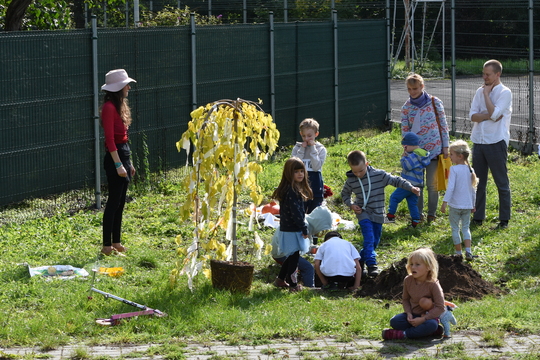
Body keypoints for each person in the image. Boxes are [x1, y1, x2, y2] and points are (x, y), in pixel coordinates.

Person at [341, 150, 420, 277]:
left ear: (367, 164)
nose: (358, 174)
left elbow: (396, 180)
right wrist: (351, 205)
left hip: (378, 213)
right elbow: (345, 194)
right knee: (368, 238)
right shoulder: (351, 180)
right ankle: (372, 265)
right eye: (354, 171)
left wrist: (411, 188)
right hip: (363, 213)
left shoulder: (379, 175)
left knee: (374, 242)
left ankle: (359, 262)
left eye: (361, 170)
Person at [469, 59, 512, 229]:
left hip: (496, 142)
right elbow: (473, 116)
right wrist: (488, 114)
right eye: (483, 73)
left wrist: (487, 96)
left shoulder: (505, 92)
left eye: (487, 74)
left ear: (497, 74)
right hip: (479, 141)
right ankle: (478, 216)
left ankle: (504, 219)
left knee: (501, 181)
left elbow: (495, 115)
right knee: (478, 182)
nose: (484, 77)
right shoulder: (479, 91)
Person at [401, 73, 450, 224]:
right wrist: (406, 148)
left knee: (432, 184)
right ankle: (418, 214)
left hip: (434, 150)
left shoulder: (435, 102)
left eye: (415, 88)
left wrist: (446, 147)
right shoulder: (406, 107)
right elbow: (405, 130)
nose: (412, 92)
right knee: (417, 184)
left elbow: (443, 125)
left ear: (422, 86)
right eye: (409, 89)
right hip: (416, 153)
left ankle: (432, 214)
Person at [100, 69, 137, 256]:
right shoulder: (108, 108)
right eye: (126, 85)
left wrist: (128, 162)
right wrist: (118, 164)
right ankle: (107, 246)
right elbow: (110, 139)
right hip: (114, 156)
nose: (129, 87)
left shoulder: (119, 105)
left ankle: (116, 242)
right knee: (113, 202)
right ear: (118, 88)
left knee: (121, 202)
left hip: (123, 153)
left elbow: (123, 138)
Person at [382, 248, 445, 340]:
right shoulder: (408, 280)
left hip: (427, 318)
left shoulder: (433, 284)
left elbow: (440, 307)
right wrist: (408, 313)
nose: (413, 267)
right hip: (412, 316)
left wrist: (423, 319)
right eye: (411, 264)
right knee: (395, 321)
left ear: (428, 267)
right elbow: (405, 299)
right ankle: (428, 332)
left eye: (417, 264)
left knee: (431, 325)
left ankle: (403, 334)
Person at [272, 157, 313, 292]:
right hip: (292, 230)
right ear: (289, 173)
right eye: (296, 172)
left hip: (288, 228)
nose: (300, 174)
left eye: (302, 171)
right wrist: (304, 228)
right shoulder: (292, 191)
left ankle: (280, 279)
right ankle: (293, 285)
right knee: (294, 259)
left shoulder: (291, 189)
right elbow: (296, 213)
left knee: (291, 257)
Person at [440, 140, 478, 260]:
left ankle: (458, 253)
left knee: (455, 228)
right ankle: (469, 251)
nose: (450, 156)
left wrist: (444, 203)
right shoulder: (470, 170)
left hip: (455, 205)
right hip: (467, 205)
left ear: (460, 156)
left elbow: (450, 188)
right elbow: (473, 190)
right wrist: (473, 204)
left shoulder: (454, 169)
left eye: (451, 154)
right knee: (466, 228)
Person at [387, 132, 431, 227]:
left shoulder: (414, 155)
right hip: (418, 184)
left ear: (411, 145)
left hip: (409, 184)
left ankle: (390, 216)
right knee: (412, 204)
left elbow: (407, 166)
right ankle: (415, 221)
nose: (404, 149)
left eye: (405, 147)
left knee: (394, 197)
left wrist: (403, 158)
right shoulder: (421, 154)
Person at [292, 118, 327, 214]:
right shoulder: (297, 148)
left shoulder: (321, 149)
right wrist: (302, 150)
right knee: (300, 209)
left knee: (314, 211)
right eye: (304, 136)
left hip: (315, 183)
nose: (306, 139)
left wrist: (313, 149)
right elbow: (294, 165)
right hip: (300, 183)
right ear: (300, 134)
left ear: (316, 134)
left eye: (309, 136)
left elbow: (316, 167)